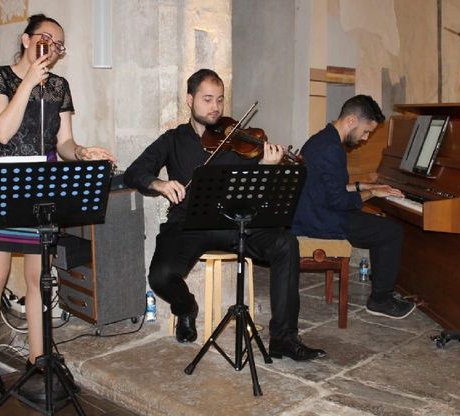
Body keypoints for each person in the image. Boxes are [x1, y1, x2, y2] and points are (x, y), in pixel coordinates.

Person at [124, 68, 325, 361]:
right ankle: (186, 308)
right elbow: (134, 173)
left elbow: (262, 195)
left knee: (286, 243)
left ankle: (283, 337)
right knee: (160, 276)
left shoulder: (239, 140)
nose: (215, 107)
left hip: (235, 224)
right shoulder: (173, 140)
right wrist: (160, 184)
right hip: (187, 224)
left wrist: (268, 167)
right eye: (207, 99)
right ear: (189, 100)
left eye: (219, 99)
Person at [0, 14, 116, 397]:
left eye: (59, 44)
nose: (52, 48)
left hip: (43, 187)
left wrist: (82, 152)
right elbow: (2, 131)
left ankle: (39, 355)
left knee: (39, 278)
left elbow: (64, 143)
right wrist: (29, 82)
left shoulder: (60, 87)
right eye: (45, 39)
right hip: (4, 183)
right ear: (25, 39)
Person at [291, 94, 416, 319]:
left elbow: (331, 188)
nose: (365, 138)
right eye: (365, 131)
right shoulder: (331, 149)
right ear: (351, 121)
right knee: (390, 231)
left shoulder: (322, 140)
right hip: (318, 220)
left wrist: (362, 186)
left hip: (315, 210)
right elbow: (338, 201)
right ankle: (381, 299)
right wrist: (370, 193)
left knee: (378, 224)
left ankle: (382, 288)